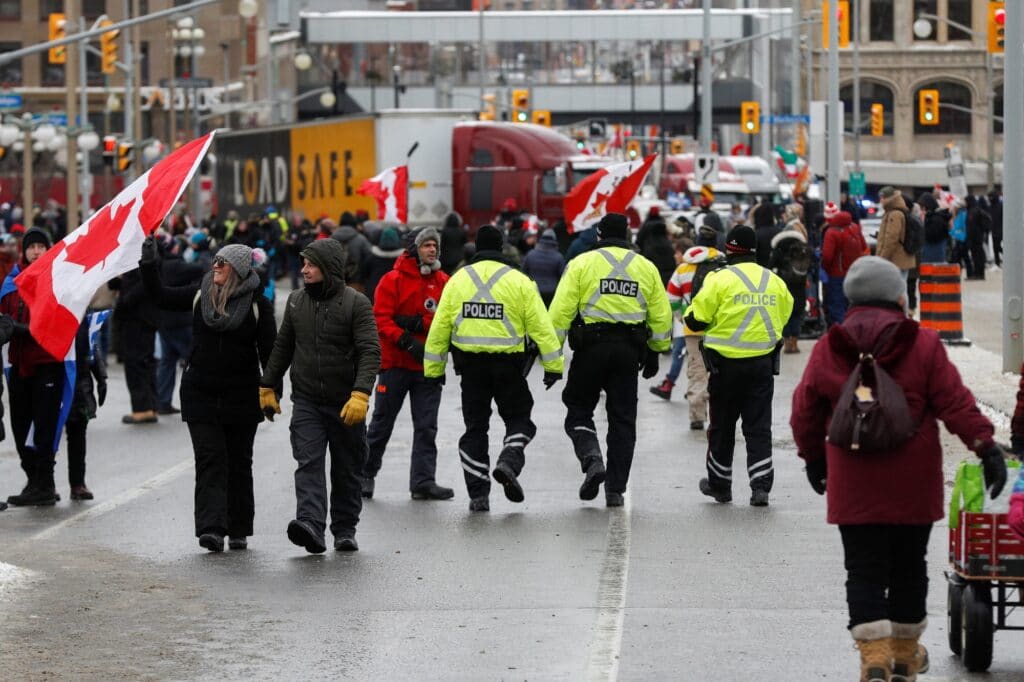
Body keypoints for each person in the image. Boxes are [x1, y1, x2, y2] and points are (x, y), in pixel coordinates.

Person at [790, 255, 1006, 682]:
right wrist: (986, 447)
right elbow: (955, 402)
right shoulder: (923, 343)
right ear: (898, 296)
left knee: (864, 568)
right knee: (910, 567)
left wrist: (813, 458)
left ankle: (873, 658)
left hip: (853, 481)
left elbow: (804, 411)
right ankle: (905, 657)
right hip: (914, 482)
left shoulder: (831, 347)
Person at [142, 240, 277, 551]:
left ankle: (239, 527)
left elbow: (270, 353)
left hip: (242, 395)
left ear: (239, 270)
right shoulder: (200, 294)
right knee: (210, 459)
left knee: (239, 462)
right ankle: (212, 528)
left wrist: (272, 391)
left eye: (222, 263)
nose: (215, 267)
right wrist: (148, 263)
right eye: (215, 261)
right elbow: (159, 295)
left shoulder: (258, 305)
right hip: (200, 392)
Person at [424, 224, 562, 512]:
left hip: (471, 368)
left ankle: (478, 494)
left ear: (476, 247)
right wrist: (553, 366)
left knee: (475, 428)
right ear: (501, 247)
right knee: (520, 419)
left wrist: (434, 372)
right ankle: (509, 459)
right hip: (508, 367)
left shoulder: (458, 280)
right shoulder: (520, 281)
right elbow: (541, 327)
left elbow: (439, 329)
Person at [260, 239, 380, 553]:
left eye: (310, 264)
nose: (304, 270)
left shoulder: (356, 303)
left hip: (347, 402)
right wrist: (267, 385)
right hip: (307, 401)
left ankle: (344, 529)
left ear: (327, 268)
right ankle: (311, 524)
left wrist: (361, 393)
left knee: (347, 467)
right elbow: (283, 346)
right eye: (303, 264)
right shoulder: (297, 301)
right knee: (308, 462)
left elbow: (370, 351)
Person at [548, 213, 672, 506]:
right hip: (629, 352)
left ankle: (592, 458)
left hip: (591, 349)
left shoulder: (581, 264)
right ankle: (615, 489)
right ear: (628, 236)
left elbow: (559, 315)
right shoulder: (646, 267)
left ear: (599, 236)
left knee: (578, 409)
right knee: (623, 420)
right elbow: (662, 317)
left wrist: (552, 362)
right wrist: (655, 351)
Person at [684, 225, 793, 507]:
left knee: (722, 426)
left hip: (725, 367)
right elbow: (786, 313)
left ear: (729, 249)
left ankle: (720, 485)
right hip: (762, 366)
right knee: (758, 427)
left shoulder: (719, 279)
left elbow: (696, 318)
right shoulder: (773, 280)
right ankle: (760, 487)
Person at [361, 226, 453, 501]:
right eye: (426, 245)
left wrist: (416, 322)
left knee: (427, 426)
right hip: (395, 365)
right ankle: (365, 474)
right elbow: (380, 319)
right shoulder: (392, 280)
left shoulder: (444, 282)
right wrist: (406, 340)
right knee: (381, 424)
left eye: (434, 245)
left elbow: (447, 319)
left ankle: (423, 481)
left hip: (428, 367)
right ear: (415, 249)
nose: (432, 250)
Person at [2, 227, 69, 506]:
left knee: (44, 426)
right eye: (32, 247)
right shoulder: (11, 282)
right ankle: (33, 480)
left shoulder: (56, 278)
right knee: (20, 426)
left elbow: (56, 320)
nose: (36, 251)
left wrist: (21, 329)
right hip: (18, 364)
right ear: (24, 250)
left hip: (46, 363)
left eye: (41, 246)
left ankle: (46, 483)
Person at [650, 238, 724, 434]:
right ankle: (722, 416)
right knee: (722, 373)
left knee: (697, 371)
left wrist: (682, 319)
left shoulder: (683, 270)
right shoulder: (723, 268)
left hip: (694, 330)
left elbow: (672, 299)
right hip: (721, 329)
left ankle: (697, 417)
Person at [155, 234, 203, 415]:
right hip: (179, 321)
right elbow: (200, 268)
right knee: (194, 360)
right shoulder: (175, 265)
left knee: (167, 363)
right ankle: (199, 401)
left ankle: (163, 401)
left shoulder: (158, 265)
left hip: (163, 321)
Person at [63, 315, 108, 501]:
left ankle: (77, 483)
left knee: (77, 432)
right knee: (45, 434)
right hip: (50, 374)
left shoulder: (80, 306)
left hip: (79, 381)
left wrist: (101, 375)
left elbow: (90, 340)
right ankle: (42, 482)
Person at [769, 223, 812, 354]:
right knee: (798, 314)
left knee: (785, 314)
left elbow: (770, 265)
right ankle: (795, 342)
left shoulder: (779, 248)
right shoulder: (802, 247)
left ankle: (787, 342)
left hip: (783, 286)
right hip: (800, 286)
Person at [820, 211, 867, 326]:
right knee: (851, 304)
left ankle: (841, 333)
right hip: (854, 272)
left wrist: (825, 268)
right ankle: (853, 329)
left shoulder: (832, 232)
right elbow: (864, 247)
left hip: (836, 274)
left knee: (836, 305)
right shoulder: (855, 228)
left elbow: (827, 256)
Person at [875, 187, 916, 279]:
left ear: (889, 198)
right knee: (900, 288)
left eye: (882, 197)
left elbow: (892, 238)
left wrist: (882, 258)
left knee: (897, 290)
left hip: (896, 260)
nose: (880, 200)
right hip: (900, 259)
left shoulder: (895, 214)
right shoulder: (897, 211)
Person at [522, 230, 566, 307]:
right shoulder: (558, 257)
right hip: (552, 293)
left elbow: (523, 273)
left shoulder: (530, 254)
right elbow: (564, 277)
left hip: (534, 290)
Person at [364, 227, 406, 302]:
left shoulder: (372, 256)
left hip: (375, 294)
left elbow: (365, 274)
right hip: (397, 295)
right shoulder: (404, 258)